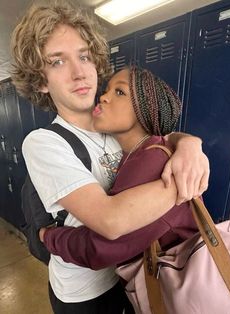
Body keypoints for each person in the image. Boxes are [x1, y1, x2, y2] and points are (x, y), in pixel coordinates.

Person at [10, 1, 209, 313]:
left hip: (131, 277)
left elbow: (156, 139)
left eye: (84, 57)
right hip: (84, 294)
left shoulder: (113, 124)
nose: (79, 73)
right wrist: (184, 186)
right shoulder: (43, 142)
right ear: (40, 81)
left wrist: (190, 144)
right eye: (58, 62)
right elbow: (110, 221)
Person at [39, 66, 198, 274]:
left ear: (145, 109)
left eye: (119, 92)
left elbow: (97, 249)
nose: (103, 97)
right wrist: (190, 142)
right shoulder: (137, 151)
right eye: (107, 90)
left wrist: (47, 236)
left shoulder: (153, 161)